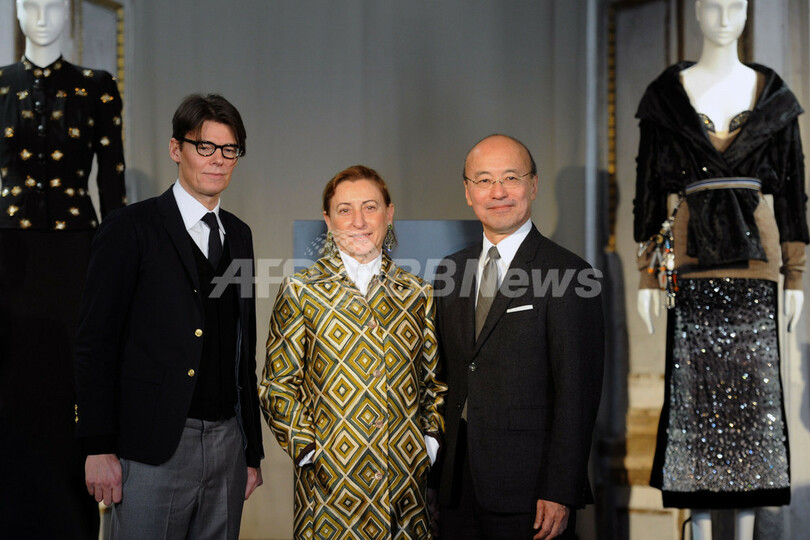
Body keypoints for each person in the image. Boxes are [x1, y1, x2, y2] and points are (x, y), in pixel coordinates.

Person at [634, 1, 808, 538]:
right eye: (712, 3)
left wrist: (796, 278)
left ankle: (751, 526)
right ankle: (701, 529)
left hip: (756, 273)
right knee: (694, 403)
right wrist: (646, 275)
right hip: (691, 269)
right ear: (695, 12)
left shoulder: (775, 99)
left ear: (749, 11)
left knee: (756, 409)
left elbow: (794, 195)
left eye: (736, 3)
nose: (724, 15)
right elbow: (647, 194)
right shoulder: (666, 98)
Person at [73, 94, 263, 539]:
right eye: (205, 147)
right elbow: (93, 342)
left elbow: (242, 349)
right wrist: (97, 445)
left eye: (229, 150)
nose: (218, 160)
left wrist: (251, 451)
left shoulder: (239, 235)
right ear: (176, 149)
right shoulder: (129, 228)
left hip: (226, 448)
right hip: (151, 447)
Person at [260, 165, 447, 539]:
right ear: (328, 220)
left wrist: (428, 446)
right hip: (331, 493)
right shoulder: (302, 290)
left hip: (405, 493)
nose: (358, 221)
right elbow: (277, 387)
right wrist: (311, 452)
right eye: (344, 210)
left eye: (370, 207)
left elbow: (435, 384)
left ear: (389, 213)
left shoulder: (417, 293)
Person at [434, 134, 605, 539]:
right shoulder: (450, 271)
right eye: (484, 180)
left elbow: (577, 394)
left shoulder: (570, 274)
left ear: (533, 185)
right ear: (467, 191)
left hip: (531, 493)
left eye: (511, 177)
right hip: (456, 487)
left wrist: (560, 490)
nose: (498, 192)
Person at [0, 0, 126, 537]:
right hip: (9, 256)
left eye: (54, 5)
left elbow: (113, 183)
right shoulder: (0, 84)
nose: (43, 17)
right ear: (17, 14)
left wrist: (120, 258)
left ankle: (72, 522)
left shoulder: (96, 85)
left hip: (79, 250)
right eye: (31, 5)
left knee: (76, 381)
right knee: (12, 385)